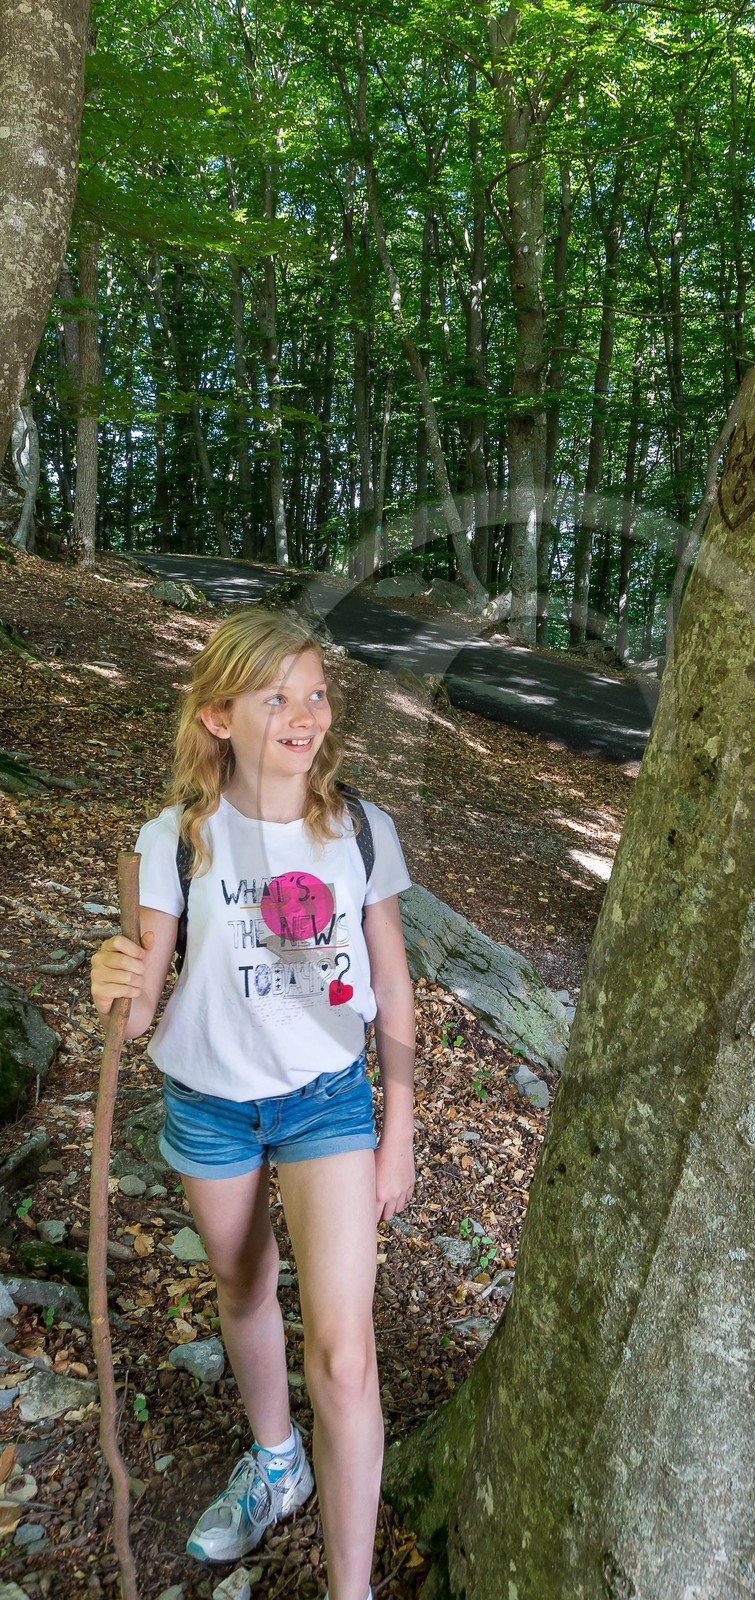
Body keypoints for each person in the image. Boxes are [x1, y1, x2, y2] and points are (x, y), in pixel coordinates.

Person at [90, 607, 417, 1600]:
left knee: (346, 1358)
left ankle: (351, 1590)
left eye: (315, 693)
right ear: (218, 716)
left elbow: (393, 988)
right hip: (211, 1106)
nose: (305, 714)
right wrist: (113, 985)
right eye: (276, 697)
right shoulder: (172, 840)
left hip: (328, 1101)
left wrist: (400, 1131)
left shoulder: (359, 830)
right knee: (241, 1286)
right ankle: (278, 1464)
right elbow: (139, 1011)